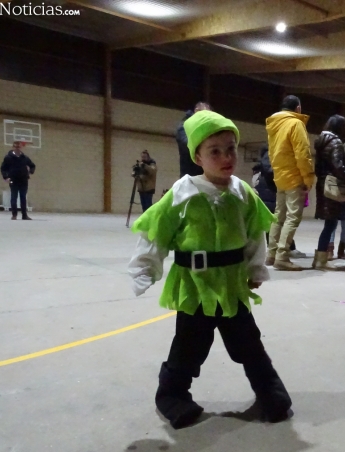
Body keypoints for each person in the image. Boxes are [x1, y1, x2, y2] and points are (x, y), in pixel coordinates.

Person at [128, 110, 292, 428]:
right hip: (194, 286)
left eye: (230, 148)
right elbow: (156, 232)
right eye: (214, 151)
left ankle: (270, 393)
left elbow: (255, 234)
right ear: (198, 157)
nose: (225, 156)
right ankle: (172, 396)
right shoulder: (183, 193)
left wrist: (255, 269)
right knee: (188, 346)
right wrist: (145, 268)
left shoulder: (243, 193)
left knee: (249, 343)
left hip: (232, 286)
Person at [265, 95, 316, 271]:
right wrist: (308, 178)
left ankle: (271, 254)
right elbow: (303, 154)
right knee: (292, 218)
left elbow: (272, 153)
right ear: (298, 109)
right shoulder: (296, 124)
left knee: (278, 217)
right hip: (294, 177)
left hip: (280, 177)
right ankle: (282, 256)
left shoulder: (273, 125)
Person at [252, 145, 305, 258]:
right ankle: (280, 251)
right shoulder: (270, 156)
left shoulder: (262, 165)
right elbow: (271, 172)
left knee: (277, 221)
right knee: (280, 220)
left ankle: (275, 251)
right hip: (271, 193)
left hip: (271, 193)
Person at [312, 115, 345, 269]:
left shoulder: (321, 141)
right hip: (333, 185)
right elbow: (337, 165)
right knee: (331, 223)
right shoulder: (336, 143)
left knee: (329, 223)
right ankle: (320, 260)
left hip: (322, 183)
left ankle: (320, 258)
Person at [0, 140, 35, 220]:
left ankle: (24, 215)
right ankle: (14, 215)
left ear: (21, 147)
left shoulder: (25, 158)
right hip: (13, 180)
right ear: (13, 147)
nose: (18, 148)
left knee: (23, 197)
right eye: (16, 147)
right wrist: (6, 177)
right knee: (14, 197)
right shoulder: (8, 158)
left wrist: (30, 172)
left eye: (19, 147)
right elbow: (3, 168)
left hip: (23, 180)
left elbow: (32, 166)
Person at [176, 101, 212, 178]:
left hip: (205, 175)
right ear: (196, 111)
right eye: (205, 114)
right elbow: (186, 144)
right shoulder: (185, 125)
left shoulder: (206, 126)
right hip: (189, 175)